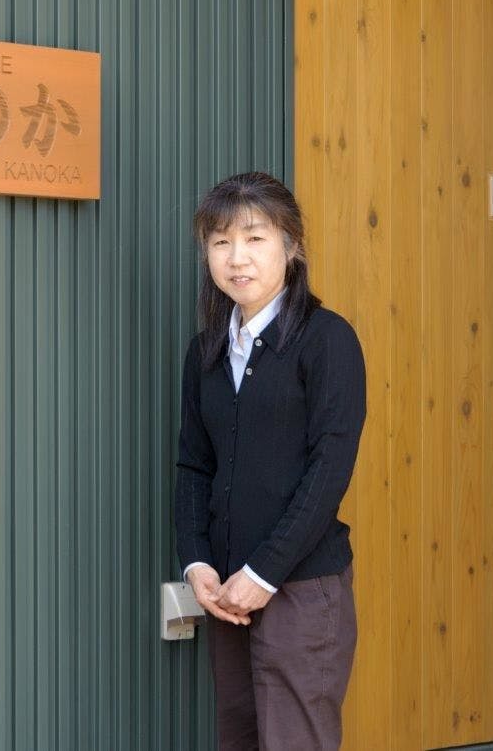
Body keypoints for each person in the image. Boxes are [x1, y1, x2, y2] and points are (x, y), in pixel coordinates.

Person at [173, 171, 366, 750]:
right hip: (227, 593)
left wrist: (263, 574)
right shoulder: (206, 351)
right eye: (221, 241)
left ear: (291, 244)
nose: (237, 258)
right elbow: (194, 466)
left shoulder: (327, 339)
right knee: (240, 737)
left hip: (300, 589)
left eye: (255, 238)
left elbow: (329, 469)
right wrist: (197, 562)